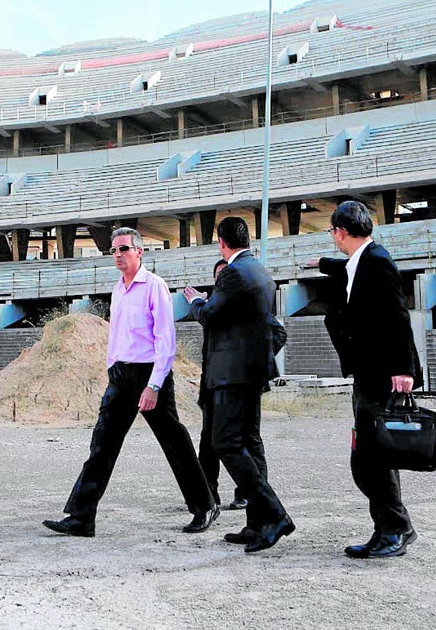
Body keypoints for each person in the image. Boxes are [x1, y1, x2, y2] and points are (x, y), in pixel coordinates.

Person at [43, 227, 218, 537]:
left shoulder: (155, 287)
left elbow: (166, 340)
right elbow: (116, 335)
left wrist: (153, 385)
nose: (118, 255)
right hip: (121, 376)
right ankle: (81, 517)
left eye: (124, 248)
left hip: (150, 375)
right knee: (102, 445)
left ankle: (205, 506)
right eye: (114, 250)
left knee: (174, 442)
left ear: (139, 252)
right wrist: (112, 367)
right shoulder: (118, 290)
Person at [315, 201, 423, 559]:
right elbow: (344, 269)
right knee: (368, 458)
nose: (332, 238)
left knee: (372, 458)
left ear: (341, 232)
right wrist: (323, 265)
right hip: (367, 372)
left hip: (382, 375)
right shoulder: (361, 260)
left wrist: (404, 369)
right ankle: (386, 528)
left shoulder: (377, 262)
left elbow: (398, 317)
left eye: (332, 232)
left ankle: (397, 528)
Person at [185, 216, 293, 554]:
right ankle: (256, 522)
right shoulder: (260, 271)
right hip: (251, 374)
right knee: (248, 442)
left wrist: (195, 302)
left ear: (221, 242)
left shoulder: (232, 273)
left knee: (225, 442)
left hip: (232, 375)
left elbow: (212, 314)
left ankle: (274, 515)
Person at [195, 258, 254, 512]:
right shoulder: (213, 307)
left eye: (226, 275)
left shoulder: (243, 306)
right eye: (218, 276)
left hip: (237, 385)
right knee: (208, 442)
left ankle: (247, 493)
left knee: (242, 441)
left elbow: (277, 334)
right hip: (211, 385)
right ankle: (208, 494)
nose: (222, 280)